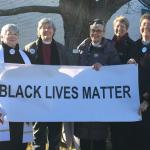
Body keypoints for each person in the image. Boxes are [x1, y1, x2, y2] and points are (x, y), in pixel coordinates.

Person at [74, 19, 120, 150]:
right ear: (90, 32)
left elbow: (117, 70)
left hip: (102, 99)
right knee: (84, 138)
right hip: (84, 98)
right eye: (93, 30)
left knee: (99, 138)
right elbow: (74, 69)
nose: (96, 33)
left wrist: (104, 68)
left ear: (104, 32)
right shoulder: (81, 48)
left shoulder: (111, 49)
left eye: (99, 30)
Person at [24, 18, 68, 150]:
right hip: (38, 97)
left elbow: (68, 69)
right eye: (43, 27)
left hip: (56, 96)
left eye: (49, 27)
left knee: (55, 133)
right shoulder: (29, 48)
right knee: (38, 133)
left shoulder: (61, 48)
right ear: (38, 31)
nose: (46, 30)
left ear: (54, 31)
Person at [0, 24, 32, 150]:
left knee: (20, 142)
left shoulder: (26, 56)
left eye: (15, 33)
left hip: (21, 108)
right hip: (2, 108)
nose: (12, 36)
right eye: (9, 33)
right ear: (2, 36)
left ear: (18, 37)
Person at [110, 16, 137, 150]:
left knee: (125, 129)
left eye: (122, 26)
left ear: (127, 29)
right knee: (113, 128)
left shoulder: (132, 45)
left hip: (125, 93)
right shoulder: (108, 44)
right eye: (117, 26)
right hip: (111, 92)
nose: (119, 29)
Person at [133, 13, 150, 150]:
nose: (146, 27)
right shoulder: (132, 46)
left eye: (149, 25)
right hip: (132, 100)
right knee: (134, 138)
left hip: (147, 102)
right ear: (140, 27)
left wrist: (148, 99)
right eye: (144, 24)